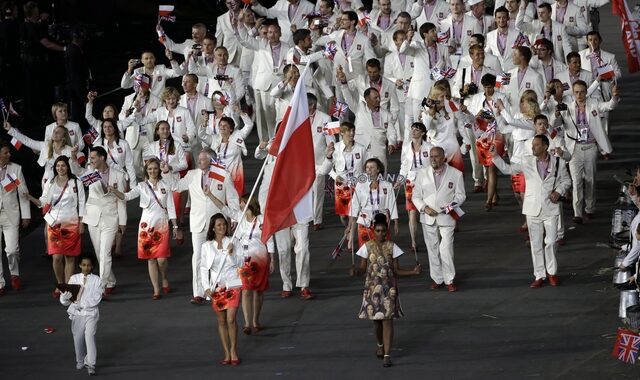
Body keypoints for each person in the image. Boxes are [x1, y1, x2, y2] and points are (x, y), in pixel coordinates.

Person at [492, 135, 571, 287]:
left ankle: (552, 272)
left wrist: (559, 192)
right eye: (533, 145)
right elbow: (508, 169)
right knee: (536, 244)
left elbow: (566, 180)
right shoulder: (526, 161)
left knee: (551, 241)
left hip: (551, 208)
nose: (533, 147)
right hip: (532, 208)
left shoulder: (558, 162)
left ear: (545, 146)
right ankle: (539, 275)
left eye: (536, 145)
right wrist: (495, 156)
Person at [168, 148, 239, 305]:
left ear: (211, 161)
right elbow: (175, 187)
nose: (198, 161)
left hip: (218, 224)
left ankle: (218, 288)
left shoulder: (223, 175)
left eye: (202, 159)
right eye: (198, 159)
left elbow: (233, 197)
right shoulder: (192, 175)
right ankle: (199, 292)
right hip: (198, 222)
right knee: (198, 257)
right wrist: (167, 172)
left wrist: (234, 218)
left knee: (220, 256)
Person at [351, 213, 421, 368]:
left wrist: (412, 272)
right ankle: (380, 344)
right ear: (373, 230)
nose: (381, 233)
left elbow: (397, 270)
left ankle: (387, 356)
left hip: (389, 289)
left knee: (387, 320)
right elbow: (363, 269)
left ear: (387, 231)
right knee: (377, 322)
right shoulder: (367, 246)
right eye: (378, 230)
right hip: (371, 289)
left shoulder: (392, 247)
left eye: (383, 231)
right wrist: (356, 272)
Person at [206, 193, 275, 335]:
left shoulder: (262, 219)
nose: (239, 204)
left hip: (261, 258)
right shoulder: (240, 217)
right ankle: (247, 323)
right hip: (244, 259)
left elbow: (269, 238)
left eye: (241, 202)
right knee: (246, 289)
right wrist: (210, 195)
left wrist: (272, 258)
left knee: (259, 290)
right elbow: (223, 208)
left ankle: (256, 320)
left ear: (249, 203)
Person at [110, 159, 180, 300]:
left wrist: (175, 226)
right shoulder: (141, 186)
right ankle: (156, 289)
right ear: (146, 171)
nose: (152, 171)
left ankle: (164, 277)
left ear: (158, 170)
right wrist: (115, 191)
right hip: (146, 227)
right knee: (151, 259)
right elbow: (127, 196)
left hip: (162, 225)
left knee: (161, 259)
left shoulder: (165, 185)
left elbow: (171, 207)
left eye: (154, 168)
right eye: (149, 169)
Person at [553, 80, 618, 224]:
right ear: (573, 93)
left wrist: (614, 97)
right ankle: (577, 213)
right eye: (576, 92)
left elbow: (610, 106)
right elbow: (554, 125)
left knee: (590, 180)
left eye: (582, 92)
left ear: (586, 92)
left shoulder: (594, 104)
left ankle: (589, 208)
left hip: (590, 147)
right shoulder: (567, 107)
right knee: (576, 182)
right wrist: (557, 114)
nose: (579, 95)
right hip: (574, 148)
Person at [72, 146, 127, 296]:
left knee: (105, 253)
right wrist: (73, 156)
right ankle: (111, 281)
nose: (91, 160)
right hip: (93, 218)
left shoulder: (119, 175)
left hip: (111, 217)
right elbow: (77, 171)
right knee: (99, 252)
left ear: (102, 157)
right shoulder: (90, 172)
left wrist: (123, 221)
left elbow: (121, 200)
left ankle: (101, 287)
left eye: (94, 158)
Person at [26, 155, 84, 297]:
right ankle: (60, 284)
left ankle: (68, 286)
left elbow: (82, 203)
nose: (60, 168)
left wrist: (82, 223)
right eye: (58, 166)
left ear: (68, 167)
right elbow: (43, 202)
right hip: (54, 224)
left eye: (63, 165)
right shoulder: (50, 183)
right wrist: (30, 198)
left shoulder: (76, 182)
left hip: (71, 223)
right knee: (56, 257)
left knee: (70, 257)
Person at [411, 146, 466, 292]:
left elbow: (461, 195)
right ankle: (437, 278)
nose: (433, 159)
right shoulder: (422, 173)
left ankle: (449, 279)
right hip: (428, 217)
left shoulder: (456, 174)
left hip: (447, 217)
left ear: (443, 158)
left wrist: (450, 206)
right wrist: (424, 208)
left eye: (436, 156)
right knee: (432, 249)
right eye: (431, 156)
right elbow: (415, 196)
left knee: (446, 248)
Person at [200, 213, 244, 366]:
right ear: (213, 228)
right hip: (216, 288)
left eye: (224, 224)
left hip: (232, 284)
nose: (222, 227)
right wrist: (206, 287)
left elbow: (241, 262)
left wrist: (231, 253)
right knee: (221, 321)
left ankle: (233, 350)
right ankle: (226, 352)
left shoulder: (234, 241)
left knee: (231, 319)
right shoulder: (206, 246)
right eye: (219, 225)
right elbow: (204, 268)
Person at [59, 256, 102, 376]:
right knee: (78, 339)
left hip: (91, 314)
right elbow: (65, 299)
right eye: (84, 265)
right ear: (80, 265)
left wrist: (81, 304)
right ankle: (80, 359)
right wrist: (65, 297)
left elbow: (97, 298)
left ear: (92, 266)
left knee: (90, 336)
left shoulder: (97, 280)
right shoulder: (74, 278)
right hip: (77, 314)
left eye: (89, 265)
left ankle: (91, 364)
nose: (86, 267)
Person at [319, 122, 367, 226]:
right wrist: (336, 176)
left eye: (353, 130)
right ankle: (348, 228)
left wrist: (363, 180)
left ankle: (350, 234)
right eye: (349, 131)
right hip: (342, 186)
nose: (352, 133)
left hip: (357, 184)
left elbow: (366, 167)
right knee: (343, 216)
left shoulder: (361, 148)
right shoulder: (335, 148)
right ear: (342, 133)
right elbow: (327, 168)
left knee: (353, 213)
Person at [346, 158, 399, 248]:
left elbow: (392, 205)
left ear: (378, 169)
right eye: (367, 167)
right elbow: (354, 206)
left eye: (372, 167)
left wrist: (396, 223)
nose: (369, 170)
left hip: (381, 221)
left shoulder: (387, 185)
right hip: (364, 221)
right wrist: (349, 226)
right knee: (366, 251)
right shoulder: (360, 185)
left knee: (382, 250)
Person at [396, 122, 432, 253]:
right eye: (412, 129)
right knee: (411, 212)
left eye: (416, 130)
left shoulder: (429, 147)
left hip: (426, 182)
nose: (413, 132)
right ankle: (413, 242)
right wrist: (400, 180)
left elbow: (433, 165)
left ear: (422, 133)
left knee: (426, 210)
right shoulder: (406, 147)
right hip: (410, 182)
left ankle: (430, 239)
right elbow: (404, 165)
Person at [0, 142, 30, 295]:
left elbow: (23, 193)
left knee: (12, 250)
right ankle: (0, 283)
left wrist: (26, 215)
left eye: (8, 152)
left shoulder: (16, 168)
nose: (9, 155)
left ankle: (15, 274)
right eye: (5, 153)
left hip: (11, 214)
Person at [198, 115, 253, 196]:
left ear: (231, 129)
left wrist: (240, 113)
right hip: (219, 176)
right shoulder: (214, 139)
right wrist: (204, 123)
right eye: (220, 125)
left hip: (235, 175)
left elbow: (249, 125)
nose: (222, 127)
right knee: (220, 202)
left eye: (225, 126)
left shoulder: (238, 136)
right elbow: (202, 135)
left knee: (235, 201)